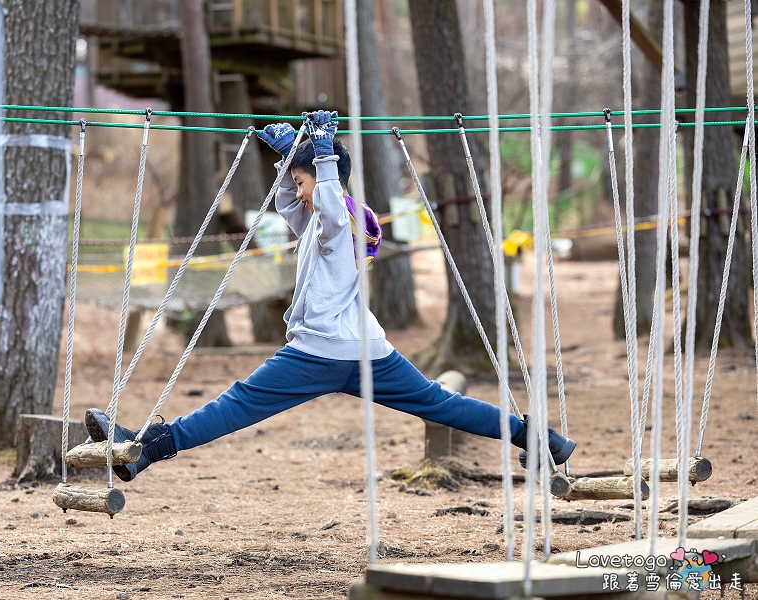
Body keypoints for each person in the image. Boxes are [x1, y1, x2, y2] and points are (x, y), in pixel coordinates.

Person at [85, 110, 575, 482]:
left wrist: (321, 154)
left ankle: (147, 448)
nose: (298, 193)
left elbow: (328, 199)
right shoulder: (321, 221)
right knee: (439, 403)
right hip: (365, 351)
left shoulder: (340, 220)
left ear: (324, 180)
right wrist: (286, 160)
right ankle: (539, 437)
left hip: (321, 351)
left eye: (302, 184)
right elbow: (296, 207)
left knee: (237, 403)